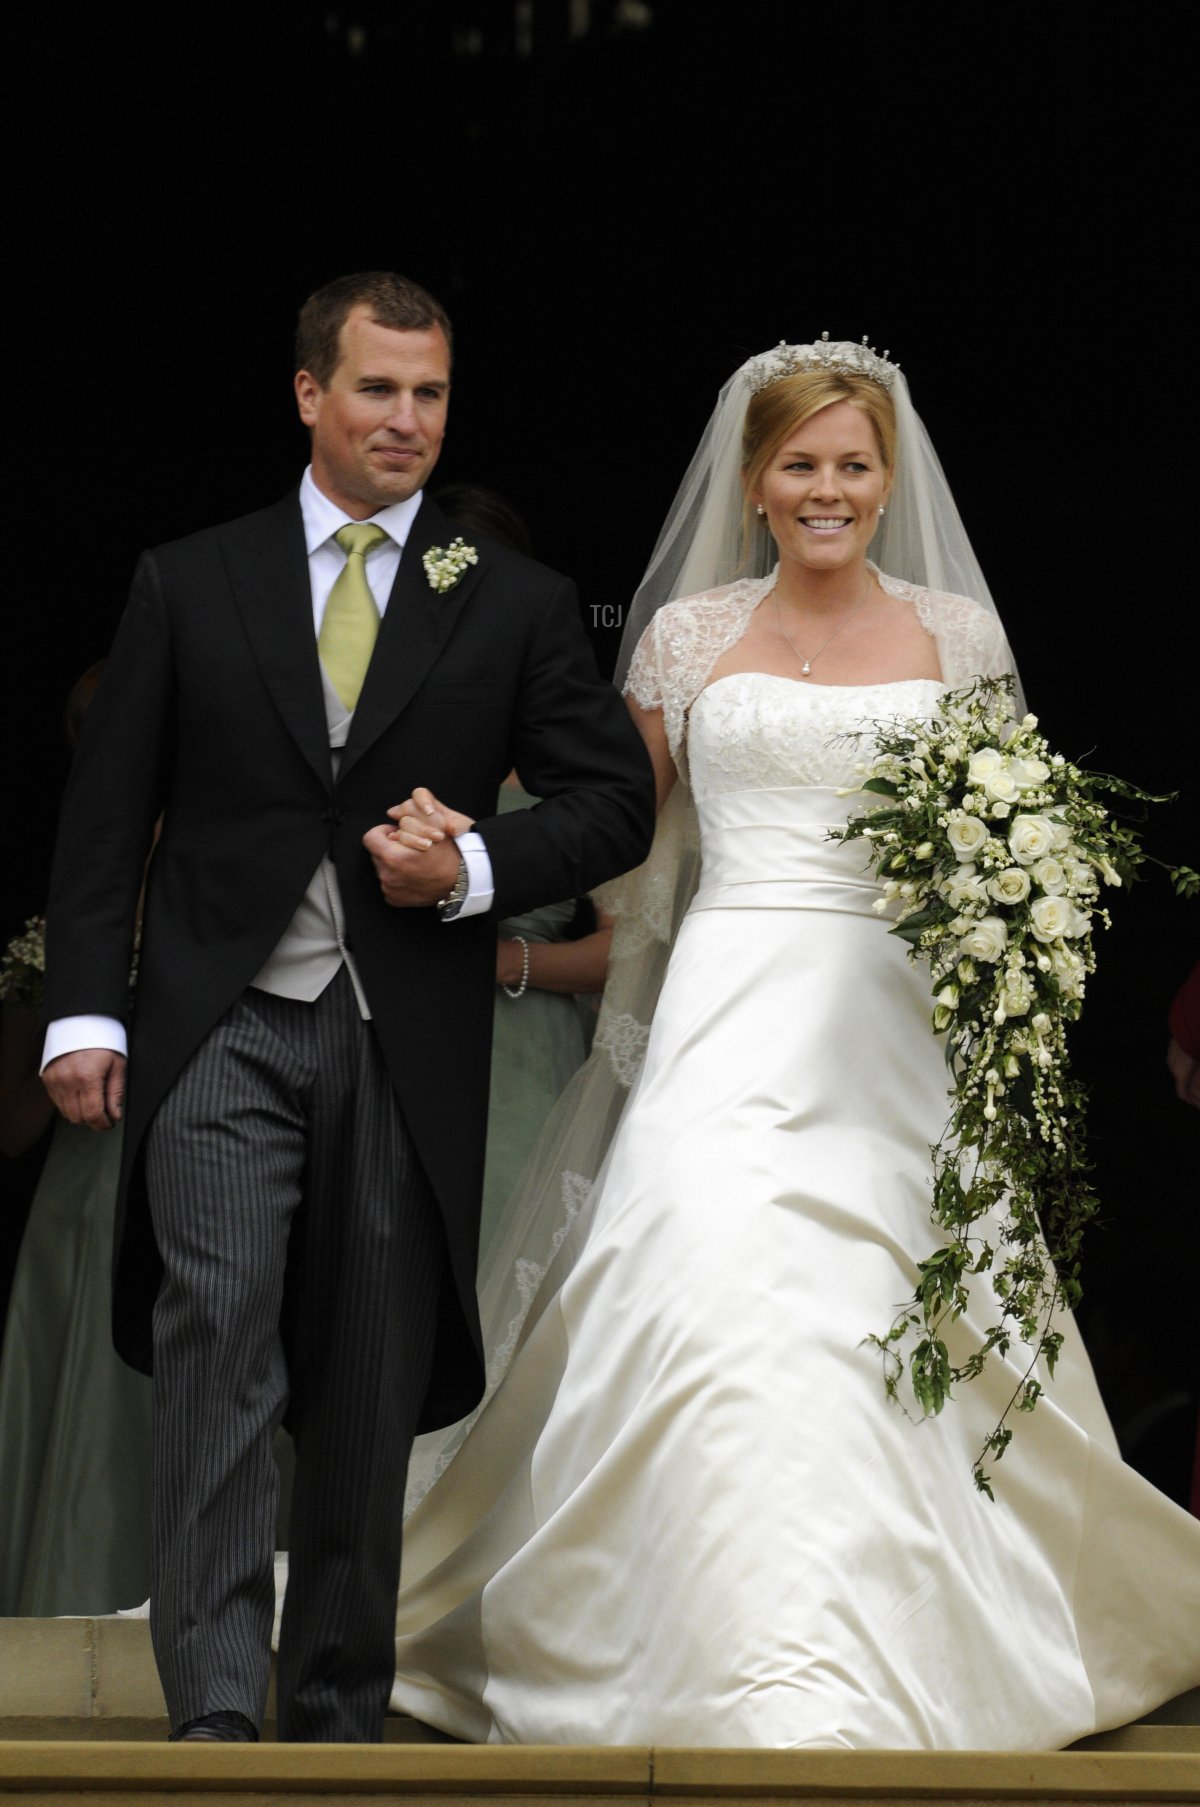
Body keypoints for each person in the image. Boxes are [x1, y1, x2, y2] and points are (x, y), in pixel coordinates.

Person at [382, 340, 1200, 1748]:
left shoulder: (960, 636)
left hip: (892, 1029)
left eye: (855, 465)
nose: (830, 489)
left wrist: (1015, 926)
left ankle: (903, 1639)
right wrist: (478, 846)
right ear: (754, 482)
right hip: (729, 998)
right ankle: (683, 1635)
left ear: (889, 480)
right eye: (802, 464)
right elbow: (613, 824)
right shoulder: (692, 636)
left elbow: (1017, 838)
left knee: (895, 1312)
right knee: (696, 1273)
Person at [39, 271, 655, 1743]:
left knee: (368, 1378)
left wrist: (474, 867)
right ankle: (213, 1717)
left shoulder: (500, 595)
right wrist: (83, 1014)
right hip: (221, 1024)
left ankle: (331, 1708)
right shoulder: (193, 576)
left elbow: (614, 802)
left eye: (431, 393)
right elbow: (107, 816)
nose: (406, 419)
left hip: (400, 1033)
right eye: (377, 389)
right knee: (218, 1341)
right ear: (309, 394)